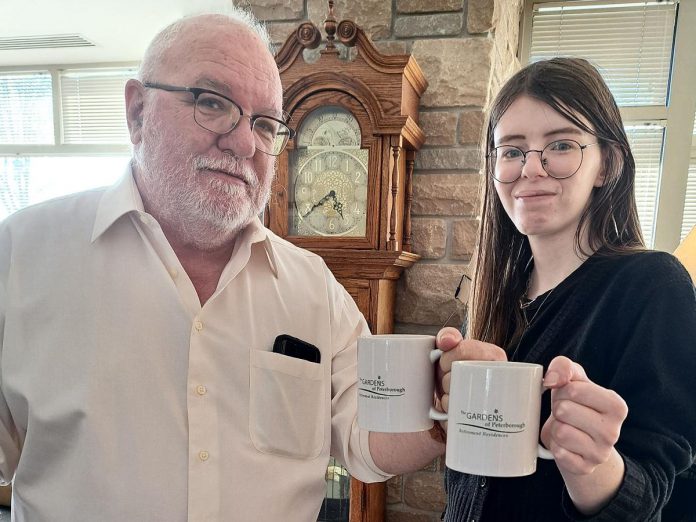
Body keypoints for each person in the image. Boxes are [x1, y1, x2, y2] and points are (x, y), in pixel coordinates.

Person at [0, 10, 446, 522]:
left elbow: (364, 440)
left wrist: (438, 416)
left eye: (264, 123)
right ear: (136, 111)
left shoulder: (313, 288)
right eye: (212, 103)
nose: (243, 142)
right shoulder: (21, 255)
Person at [433, 57, 696, 521]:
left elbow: (660, 489)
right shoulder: (494, 300)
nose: (531, 168)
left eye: (559, 145)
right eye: (511, 151)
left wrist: (593, 468)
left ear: (606, 164)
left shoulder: (653, 287)